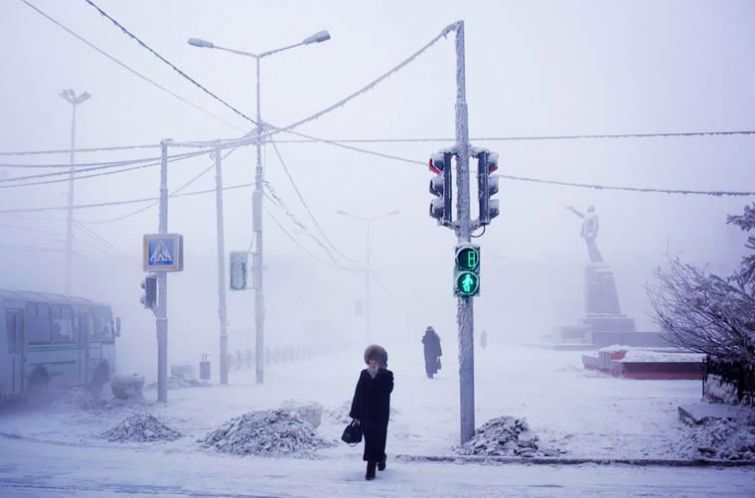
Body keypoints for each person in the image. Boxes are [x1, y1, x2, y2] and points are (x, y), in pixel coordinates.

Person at [349, 345, 394, 481]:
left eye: (376, 362)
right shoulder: (364, 374)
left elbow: (387, 390)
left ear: (381, 362)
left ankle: (378, 461)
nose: (373, 364)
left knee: (378, 439)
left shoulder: (387, 375)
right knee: (370, 440)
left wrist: (377, 377)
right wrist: (355, 413)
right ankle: (372, 465)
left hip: (380, 414)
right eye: (371, 362)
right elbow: (358, 393)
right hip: (366, 414)